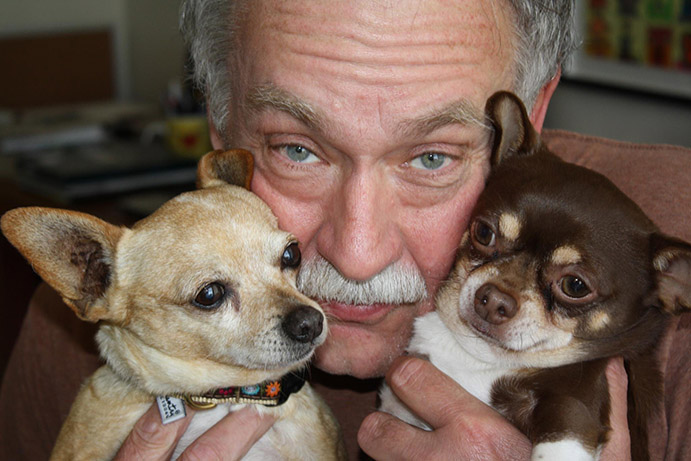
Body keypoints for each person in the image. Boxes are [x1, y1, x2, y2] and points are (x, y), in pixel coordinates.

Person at [1, 0, 686, 459]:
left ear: (526, 121)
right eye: (296, 149)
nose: (357, 254)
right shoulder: (119, 316)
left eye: (430, 157)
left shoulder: (661, 303)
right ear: (220, 123)